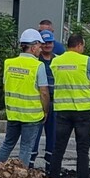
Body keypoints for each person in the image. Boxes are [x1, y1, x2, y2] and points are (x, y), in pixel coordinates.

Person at [48, 34, 90, 178]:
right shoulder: (86, 60)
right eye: (82, 46)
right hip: (82, 110)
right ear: (79, 45)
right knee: (82, 150)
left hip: (62, 109)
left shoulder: (56, 61)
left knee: (58, 148)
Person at [0, 29, 51, 167]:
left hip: (13, 113)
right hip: (31, 115)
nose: (41, 49)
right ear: (33, 47)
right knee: (26, 148)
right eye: (39, 46)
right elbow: (44, 92)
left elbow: (5, 85)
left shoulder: (9, 63)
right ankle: (21, 177)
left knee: (7, 144)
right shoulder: (38, 66)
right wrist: (46, 111)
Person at [30, 28, 58, 170]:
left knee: (53, 136)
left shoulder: (58, 60)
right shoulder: (35, 61)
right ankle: (30, 165)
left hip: (55, 103)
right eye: (45, 43)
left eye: (50, 42)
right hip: (39, 103)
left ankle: (50, 167)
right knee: (34, 135)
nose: (47, 45)